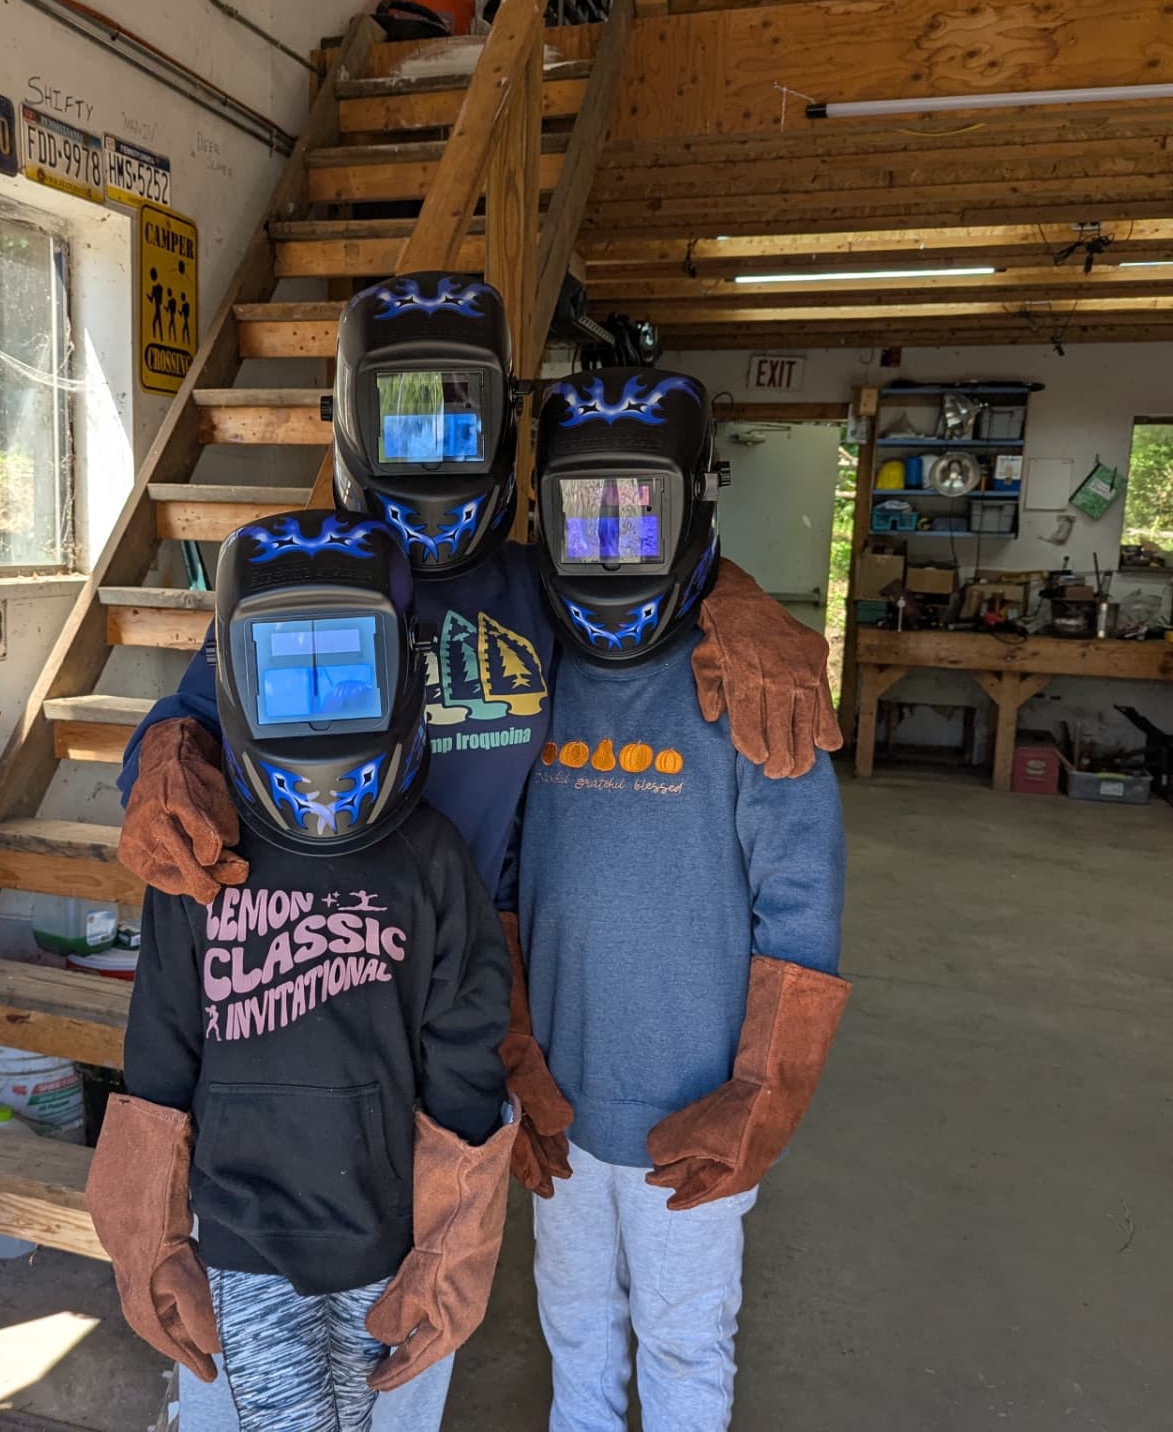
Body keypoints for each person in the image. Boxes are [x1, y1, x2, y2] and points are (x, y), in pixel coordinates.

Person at [116, 272, 841, 1432]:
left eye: (457, 416)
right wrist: (161, 754)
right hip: (299, 996)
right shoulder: (320, 576)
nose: (434, 455)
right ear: (350, 419)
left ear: (505, 425)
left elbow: (640, 553)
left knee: (414, 1337)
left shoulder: (535, 587)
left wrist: (741, 599)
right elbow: (205, 713)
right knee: (254, 1368)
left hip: (457, 1001)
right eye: (404, 417)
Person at [86, 510, 516, 1432]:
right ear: (232, 678)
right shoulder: (199, 853)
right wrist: (150, 1234)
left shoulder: (432, 860)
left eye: (347, 666)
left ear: (402, 667)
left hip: (388, 1242)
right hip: (235, 1244)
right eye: (286, 668)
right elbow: (159, 1045)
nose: (318, 700)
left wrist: (454, 1245)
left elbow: (466, 1060)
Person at [520, 366, 850, 1432]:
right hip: (560, 1099)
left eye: (640, 511)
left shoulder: (754, 686)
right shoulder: (523, 669)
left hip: (694, 1112)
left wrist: (760, 1089)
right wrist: (512, 1048)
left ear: (696, 500)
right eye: (585, 514)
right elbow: (497, 875)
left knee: (683, 1339)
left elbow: (802, 905)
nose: (612, 545)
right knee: (574, 1327)